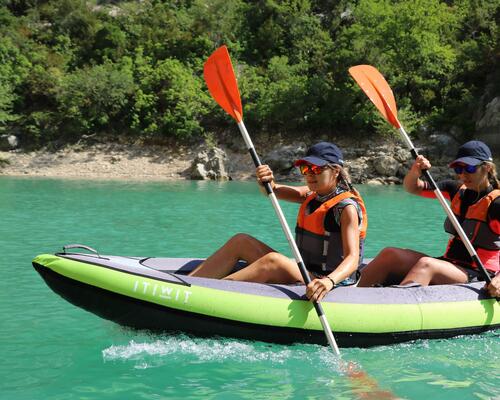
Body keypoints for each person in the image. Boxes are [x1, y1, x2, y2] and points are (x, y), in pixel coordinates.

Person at [188, 142, 367, 302]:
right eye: (306, 169)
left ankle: (203, 297)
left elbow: (352, 259)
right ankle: (186, 285)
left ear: (335, 171)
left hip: (328, 281)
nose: (310, 175)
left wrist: (328, 282)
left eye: (317, 169)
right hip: (306, 271)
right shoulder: (313, 195)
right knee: (241, 241)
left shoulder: (346, 208)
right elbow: (272, 191)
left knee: (273, 261)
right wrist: (267, 181)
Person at [358, 140, 499, 288]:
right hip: (449, 263)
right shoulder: (456, 189)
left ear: (487, 168)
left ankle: (399, 304)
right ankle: (350, 296)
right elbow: (413, 187)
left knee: (426, 264)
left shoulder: (496, 204)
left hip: (479, 271)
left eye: (469, 168)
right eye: (458, 169)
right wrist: (415, 171)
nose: (463, 175)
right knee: (390, 253)